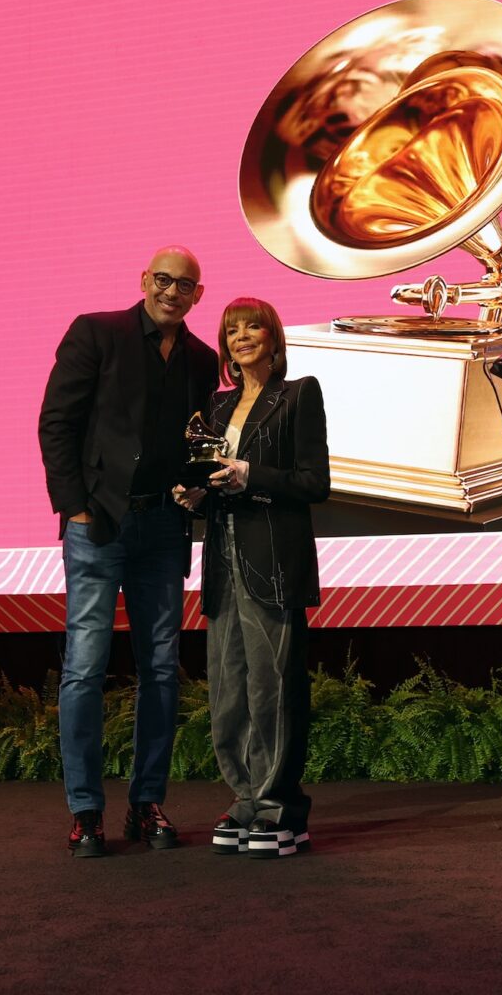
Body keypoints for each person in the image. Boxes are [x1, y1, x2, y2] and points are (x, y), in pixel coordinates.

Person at [38, 246, 219, 858]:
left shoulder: (202, 358)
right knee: (85, 669)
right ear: (144, 281)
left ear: (198, 294)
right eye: (163, 279)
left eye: (184, 284)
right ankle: (86, 812)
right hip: (99, 528)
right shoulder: (97, 333)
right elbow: (56, 422)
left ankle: (147, 806)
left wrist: (196, 490)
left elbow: (198, 441)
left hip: (164, 532)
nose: (172, 290)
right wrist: (77, 507)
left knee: (162, 671)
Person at [175, 297, 329, 859]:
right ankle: (244, 799)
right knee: (229, 690)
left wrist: (250, 474)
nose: (242, 336)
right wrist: (193, 494)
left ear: (272, 335)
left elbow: (315, 482)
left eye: (252, 326)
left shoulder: (299, 394)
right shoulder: (213, 410)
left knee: (273, 688)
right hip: (223, 561)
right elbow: (212, 483)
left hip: (274, 561)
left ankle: (280, 807)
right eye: (231, 330)